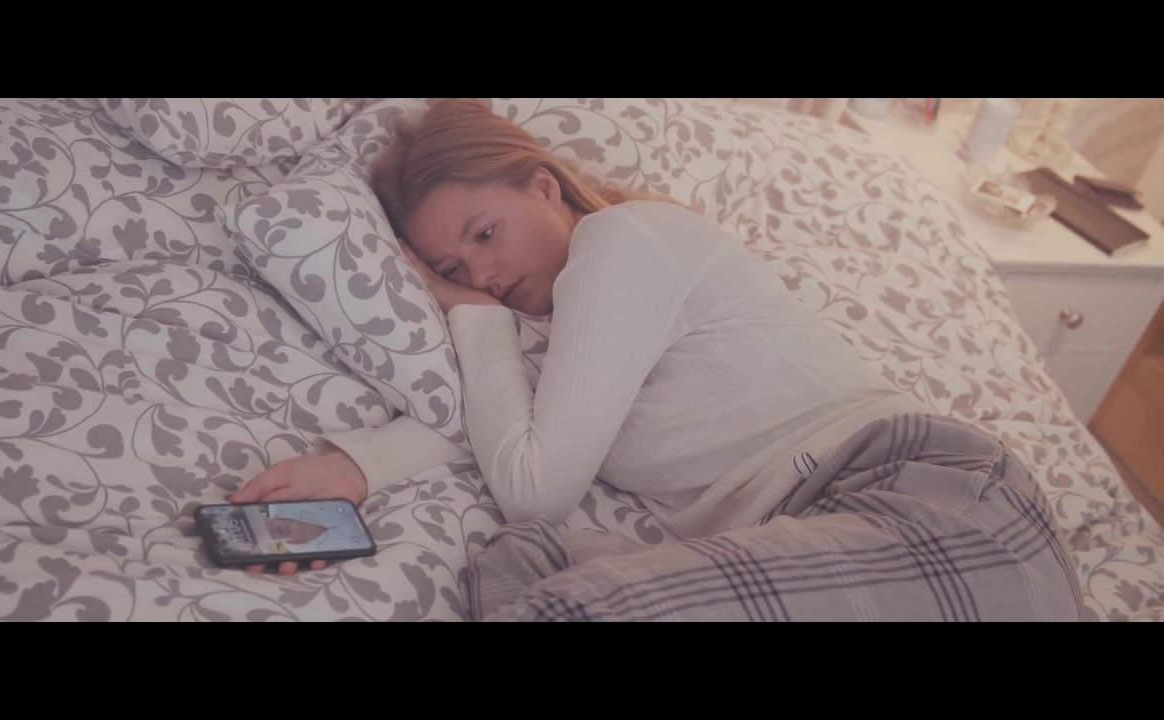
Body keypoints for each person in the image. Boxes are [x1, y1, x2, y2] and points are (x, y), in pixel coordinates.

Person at [226, 98, 1082, 622]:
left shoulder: (622, 242)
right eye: (452, 269)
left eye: (484, 234)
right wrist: (355, 468)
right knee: (518, 566)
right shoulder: (560, 327)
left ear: (543, 185)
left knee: (555, 594)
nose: (481, 275)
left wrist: (472, 313)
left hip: (928, 504)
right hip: (828, 532)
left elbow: (535, 483)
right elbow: (498, 423)